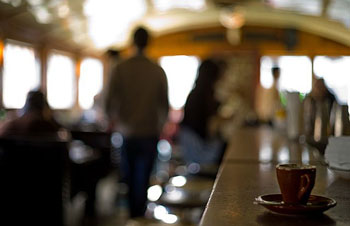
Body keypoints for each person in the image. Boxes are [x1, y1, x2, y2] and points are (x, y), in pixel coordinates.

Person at [104, 27, 169, 218]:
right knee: (144, 177)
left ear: (132, 42)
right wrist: (161, 125)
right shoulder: (157, 70)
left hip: (127, 132)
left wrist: (113, 121)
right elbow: (164, 104)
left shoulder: (121, 68)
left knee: (130, 177)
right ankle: (139, 215)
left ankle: (132, 216)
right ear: (148, 42)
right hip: (149, 131)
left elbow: (108, 101)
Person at [179, 58, 226, 166]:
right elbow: (210, 125)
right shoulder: (203, 96)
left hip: (193, 143)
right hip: (197, 148)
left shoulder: (197, 93)